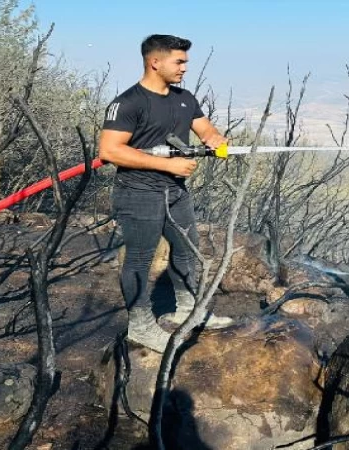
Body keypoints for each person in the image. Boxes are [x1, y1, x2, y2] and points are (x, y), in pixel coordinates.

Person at [99, 34, 234, 352]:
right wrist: (167, 166)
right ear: (154, 62)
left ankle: (189, 311)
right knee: (139, 260)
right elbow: (110, 151)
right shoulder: (128, 102)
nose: (185, 67)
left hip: (175, 193)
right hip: (137, 193)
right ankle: (141, 327)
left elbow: (206, 129)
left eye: (186, 61)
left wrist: (215, 139)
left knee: (189, 251)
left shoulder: (184, 98)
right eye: (180, 61)